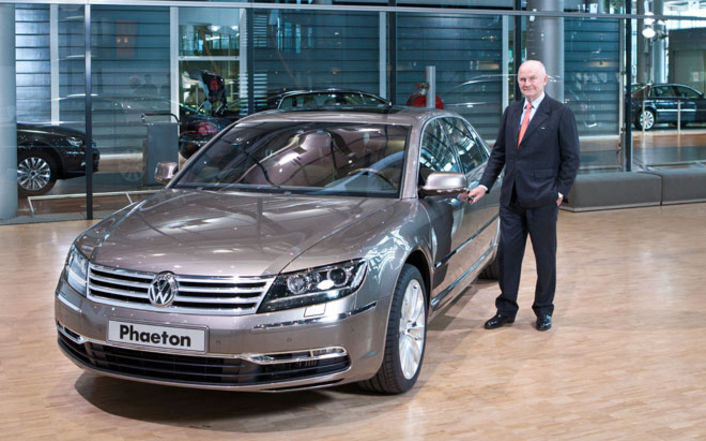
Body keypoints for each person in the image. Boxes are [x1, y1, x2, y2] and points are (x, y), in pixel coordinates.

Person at [459, 59, 580, 331]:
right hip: (511, 199)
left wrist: (560, 192)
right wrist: (484, 185)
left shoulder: (560, 113)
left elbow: (571, 158)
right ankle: (506, 310)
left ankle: (543, 310)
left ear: (544, 80)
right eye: (523, 79)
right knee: (508, 258)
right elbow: (499, 153)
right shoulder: (511, 112)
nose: (527, 83)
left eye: (532, 78)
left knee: (545, 259)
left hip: (543, 199)